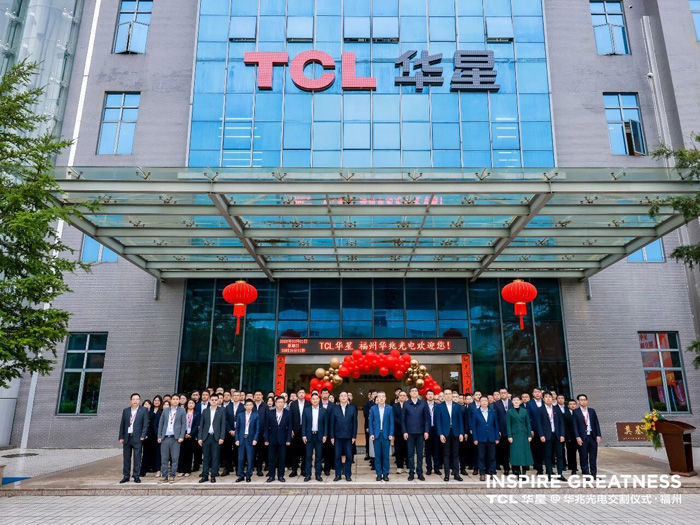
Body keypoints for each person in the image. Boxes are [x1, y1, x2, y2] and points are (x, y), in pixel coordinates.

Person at [118, 393, 149, 483]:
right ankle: (126, 476)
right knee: (126, 458)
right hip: (127, 437)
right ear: (130, 401)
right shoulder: (126, 411)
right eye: (134, 399)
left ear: (139, 400)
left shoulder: (143, 410)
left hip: (138, 438)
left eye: (137, 399)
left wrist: (143, 435)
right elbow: (122, 424)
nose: (135, 401)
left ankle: (136, 475)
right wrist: (121, 437)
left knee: (137, 458)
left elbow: (145, 424)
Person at [435, 388, 464, 482]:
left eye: (449, 394)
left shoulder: (457, 406)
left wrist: (461, 433)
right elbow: (438, 421)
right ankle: (446, 474)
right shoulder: (440, 406)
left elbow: (460, 421)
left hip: (456, 432)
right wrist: (440, 434)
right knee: (446, 454)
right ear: (444, 395)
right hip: (445, 433)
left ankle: (456, 474)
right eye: (446, 394)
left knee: (456, 454)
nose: (448, 395)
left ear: (452, 395)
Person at [157, 392, 186, 483]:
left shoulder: (182, 410)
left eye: (177, 399)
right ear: (171, 400)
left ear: (179, 401)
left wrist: (181, 436)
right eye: (173, 399)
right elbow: (161, 423)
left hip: (175, 438)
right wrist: (159, 436)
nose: (175, 401)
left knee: (175, 458)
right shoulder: (166, 410)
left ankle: (172, 475)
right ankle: (164, 476)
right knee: (164, 458)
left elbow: (183, 424)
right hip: (165, 437)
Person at [402, 386, 429, 481]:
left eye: (415, 391)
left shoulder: (423, 404)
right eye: (412, 391)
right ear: (409, 393)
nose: (414, 392)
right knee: (410, 454)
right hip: (410, 433)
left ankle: (420, 472)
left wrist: (426, 431)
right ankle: (411, 473)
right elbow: (403, 419)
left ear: (418, 393)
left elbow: (427, 419)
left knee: (420, 454)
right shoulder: (406, 404)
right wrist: (404, 431)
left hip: (420, 432)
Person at [198, 393, 226, 483]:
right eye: (212, 400)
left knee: (215, 457)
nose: (214, 401)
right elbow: (201, 425)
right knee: (206, 457)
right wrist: (200, 438)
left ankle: (213, 475)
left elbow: (223, 425)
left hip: (216, 437)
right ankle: (205, 475)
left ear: (218, 401)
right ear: (210, 400)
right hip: (206, 437)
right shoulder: (205, 411)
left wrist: (222, 437)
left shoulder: (221, 410)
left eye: (215, 400)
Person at [330, 391, 357, 482]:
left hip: (349, 437)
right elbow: (332, 423)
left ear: (347, 397)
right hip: (337, 436)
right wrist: (332, 437)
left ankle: (348, 474)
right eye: (341, 396)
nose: (343, 397)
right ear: (339, 398)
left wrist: (354, 436)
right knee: (337, 456)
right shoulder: (334, 408)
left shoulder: (352, 408)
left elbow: (355, 423)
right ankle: (338, 474)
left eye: (345, 396)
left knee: (349, 456)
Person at [538, 392, 566, 481]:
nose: (548, 398)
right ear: (543, 399)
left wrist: (562, 434)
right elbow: (539, 424)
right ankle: (549, 473)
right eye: (546, 397)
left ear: (552, 398)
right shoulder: (540, 410)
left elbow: (561, 423)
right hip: (546, 436)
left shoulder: (557, 409)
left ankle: (560, 474)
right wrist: (541, 435)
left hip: (557, 435)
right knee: (548, 455)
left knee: (560, 455)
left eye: (550, 397)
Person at [471, 395, 499, 481]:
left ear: (488, 402)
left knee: (492, 457)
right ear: (479, 402)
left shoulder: (493, 411)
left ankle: (493, 473)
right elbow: (474, 427)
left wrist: (497, 438)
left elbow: (496, 425)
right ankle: (482, 473)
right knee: (481, 457)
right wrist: (475, 438)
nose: (484, 402)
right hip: (480, 438)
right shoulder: (475, 412)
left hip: (491, 437)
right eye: (482, 401)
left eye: (485, 401)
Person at [573, 394, 602, 478]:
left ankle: (594, 473)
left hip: (592, 436)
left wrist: (598, 435)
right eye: (581, 400)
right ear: (578, 401)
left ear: (587, 401)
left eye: (584, 400)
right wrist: (577, 437)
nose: (583, 401)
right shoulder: (576, 412)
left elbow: (596, 423)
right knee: (583, 456)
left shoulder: (592, 411)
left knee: (593, 456)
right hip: (582, 437)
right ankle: (586, 473)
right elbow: (575, 426)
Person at [264, 396, 292, 482]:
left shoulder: (288, 413)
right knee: (271, 459)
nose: (280, 404)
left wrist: (288, 439)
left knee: (282, 459)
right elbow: (266, 427)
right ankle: (271, 476)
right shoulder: (270, 413)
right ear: (275, 403)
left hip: (283, 439)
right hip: (272, 439)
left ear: (284, 403)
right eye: (278, 402)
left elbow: (290, 427)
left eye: (281, 402)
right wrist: (266, 439)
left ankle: (281, 476)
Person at [302, 392, 328, 482]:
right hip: (309, 436)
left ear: (319, 400)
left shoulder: (323, 410)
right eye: (313, 399)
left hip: (319, 435)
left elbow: (325, 424)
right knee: (308, 456)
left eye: (316, 399)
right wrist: (303, 435)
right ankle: (308, 475)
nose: (315, 400)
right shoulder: (306, 410)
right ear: (310, 400)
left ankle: (318, 474)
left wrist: (325, 435)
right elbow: (304, 424)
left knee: (318, 456)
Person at [369, 391, 394, 482]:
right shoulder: (373, 408)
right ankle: (379, 474)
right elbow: (370, 422)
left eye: (383, 396)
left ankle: (386, 473)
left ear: (385, 398)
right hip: (376, 435)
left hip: (386, 435)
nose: (381, 398)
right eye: (379, 397)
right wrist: (371, 433)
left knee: (386, 456)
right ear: (377, 398)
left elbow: (391, 422)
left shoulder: (389, 408)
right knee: (377, 456)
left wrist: (391, 434)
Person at [506, 395, 533, 479]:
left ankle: (524, 472)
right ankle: (517, 472)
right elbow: (508, 425)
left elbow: (528, 423)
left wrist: (529, 435)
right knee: (516, 454)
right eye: (514, 400)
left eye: (518, 400)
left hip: (524, 434)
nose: (516, 401)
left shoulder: (524, 411)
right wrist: (509, 436)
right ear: (512, 401)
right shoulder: (509, 412)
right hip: (514, 435)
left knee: (524, 454)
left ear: (520, 401)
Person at [235, 398, 259, 483]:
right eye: (247, 405)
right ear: (244, 406)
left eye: (250, 405)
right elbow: (237, 428)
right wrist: (237, 439)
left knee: (250, 458)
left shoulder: (256, 415)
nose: (249, 407)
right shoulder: (240, 415)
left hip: (250, 439)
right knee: (240, 458)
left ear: (253, 406)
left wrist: (255, 439)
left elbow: (257, 429)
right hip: (241, 439)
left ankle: (249, 475)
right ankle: (241, 475)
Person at [178, 398, 199, 477]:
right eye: (189, 403)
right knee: (182, 453)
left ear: (195, 405)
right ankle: (181, 470)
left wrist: (191, 434)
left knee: (189, 453)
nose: (191, 404)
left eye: (192, 403)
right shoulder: (183, 413)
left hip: (192, 436)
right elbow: (180, 423)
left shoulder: (197, 414)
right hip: (183, 434)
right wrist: (183, 433)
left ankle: (188, 470)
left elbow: (197, 425)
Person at [289, 388, 308, 477]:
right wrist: (291, 429)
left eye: (303, 392)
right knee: (294, 451)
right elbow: (290, 418)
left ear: (305, 394)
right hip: (295, 430)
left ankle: (303, 470)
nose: (301, 394)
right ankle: (294, 470)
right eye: (299, 392)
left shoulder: (308, 403)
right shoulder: (293, 404)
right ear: (297, 394)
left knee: (304, 451)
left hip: (305, 430)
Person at [526, 387, 544, 475]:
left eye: (539, 392)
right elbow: (528, 418)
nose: (537, 393)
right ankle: (539, 468)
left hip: (545, 430)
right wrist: (530, 429)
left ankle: (549, 469)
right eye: (535, 392)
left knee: (546, 450)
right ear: (532, 394)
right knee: (536, 450)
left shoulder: (545, 402)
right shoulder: (529, 404)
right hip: (535, 431)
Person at [493, 387, 512, 475]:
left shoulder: (512, 402)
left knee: (513, 450)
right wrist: (498, 430)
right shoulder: (496, 404)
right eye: (501, 393)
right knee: (504, 451)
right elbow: (495, 418)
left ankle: (515, 468)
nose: (503, 394)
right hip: (502, 430)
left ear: (507, 393)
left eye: (505, 392)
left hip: (513, 430)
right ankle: (506, 468)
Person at [424, 389, 441, 476]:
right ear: (426, 396)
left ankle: (436, 468)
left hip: (436, 429)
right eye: (429, 394)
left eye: (431, 394)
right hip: (427, 430)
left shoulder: (438, 406)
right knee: (427, 450)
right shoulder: (423, 405)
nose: (430, 395)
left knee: (436, 449)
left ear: (434, 396)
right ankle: (429, 468)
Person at [252, 390, 268, 477]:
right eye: (256, 395)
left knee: (261, 452)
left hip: (262, 433)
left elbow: (267, 420)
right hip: (252, 433)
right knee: (252, 452)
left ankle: (259, 469)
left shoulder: (265, 406)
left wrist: (266, 432)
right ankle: (251, 468)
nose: (258, 396)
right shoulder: (251, 405)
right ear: (254, 397)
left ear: (262, 396)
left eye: (259, 395)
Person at [194, 390, 210, 472]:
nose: (204, 396)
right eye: (203, 394)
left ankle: (208, 467)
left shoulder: (211, 405)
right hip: (198, 428)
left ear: (209, 396)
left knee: (207, 450)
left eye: (206, 395)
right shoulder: (197, 405)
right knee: (197, 448)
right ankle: (196, 466)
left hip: (208, 428)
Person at [139, 398, 155, 477]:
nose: (146, 406)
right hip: (139, 436)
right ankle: (137, 470)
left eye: (148, 404)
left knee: (146, 454)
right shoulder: (139, 414)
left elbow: (152, 426)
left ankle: (143, 471)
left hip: (148, 437)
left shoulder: (152, 414)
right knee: (138, 454)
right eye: (145, 404)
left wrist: (146, 434)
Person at [393, 390, 408, 474]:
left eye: (404, 395)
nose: (402, 397)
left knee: (408, 449)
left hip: (408, 431)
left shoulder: (409, 405)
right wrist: (403, 423)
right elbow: (394, 418)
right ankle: (399, 466)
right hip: (398, 431)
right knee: (398, 450)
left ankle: (408, 466)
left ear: (406, 397)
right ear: (398, 397)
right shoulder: (395, 406)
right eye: (401, 395)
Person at [320, 388, 334, 475]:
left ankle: (327, 469)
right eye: (323, 393)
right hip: (318, 431)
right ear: (321, 394)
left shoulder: (333, 405)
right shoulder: (316, 403)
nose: (325, 395)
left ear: (328, 394)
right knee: (319, 451)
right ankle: (318, 468)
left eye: (326, 393)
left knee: (328, 451)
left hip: (329, 431)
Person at [563, 399, 579, 475]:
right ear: (568, 406)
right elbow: (565, 427)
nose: (572, 405)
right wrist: (568, 437)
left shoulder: (579, 413)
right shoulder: (565, 415)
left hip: (579, 437)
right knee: (571, 453)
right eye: (570, 404)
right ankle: (572, 468)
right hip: (570, 437)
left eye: (574, 404)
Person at [362, 390, 376, 463]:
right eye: (373, 394)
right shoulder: (367, 404)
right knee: (368, 440)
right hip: (368, 424)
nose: (375, 395)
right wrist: (368, 426)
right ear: (370, 395)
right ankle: (368, 453)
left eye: (376, 394)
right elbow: (366, 415)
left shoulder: (379, 403)